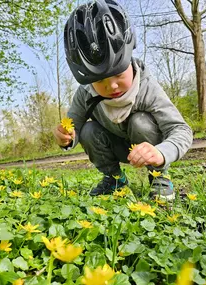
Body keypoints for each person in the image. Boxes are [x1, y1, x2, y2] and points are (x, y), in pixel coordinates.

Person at [53, 0, 193, 200]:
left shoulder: (147, 88)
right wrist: (65, 138)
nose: (112, 86)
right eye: (100, 81)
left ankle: (159, 179)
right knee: (88, 129)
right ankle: (114, 179)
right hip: (115, 146)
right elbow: (73, 126)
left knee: (141, 122)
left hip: (148, 143)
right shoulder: (85, 93)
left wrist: (161, 153)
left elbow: (181, 129)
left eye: (119, 74)